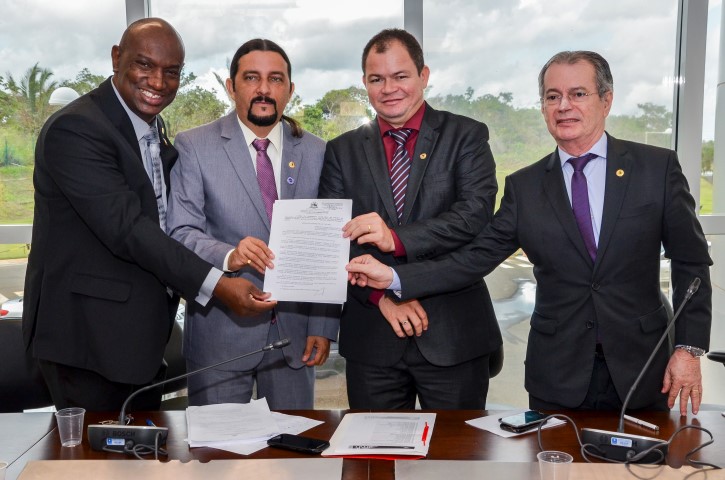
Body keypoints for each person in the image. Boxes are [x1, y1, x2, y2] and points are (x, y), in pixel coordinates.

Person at [347, 51, 712, 415]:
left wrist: (689, 349)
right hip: (557, 375)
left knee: (642, 471)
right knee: (555, 471)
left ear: (607, 100)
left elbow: (690, 262)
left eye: (578, 94)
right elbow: (475, 258)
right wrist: (395, 277)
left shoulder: (656, 168)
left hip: (644, 368)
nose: (564, 106)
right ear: (543, 108)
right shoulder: (525, 187)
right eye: (553, 96)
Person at [23, 18, 275, 413]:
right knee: (94, 468)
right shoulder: (76, 128)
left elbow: (167, 219)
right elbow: (129, 230)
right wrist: (220, 285)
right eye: (144, 65)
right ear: (116, 58)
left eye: (171, 72)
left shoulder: (149, 129)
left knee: (135, 459)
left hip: (138, 339)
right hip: (86, 341)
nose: (157, 82)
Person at [318, 28, 501, 410]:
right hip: (372, 337)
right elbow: (333, 239)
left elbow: (474, 216)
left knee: (457, 466)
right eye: (376, 79)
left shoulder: (466, 136)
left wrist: (395, 239)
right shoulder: (341, 150)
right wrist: (383, 297)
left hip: (452, 336)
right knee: (371, 466)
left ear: (424, 75)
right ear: (365, 83)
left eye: (400, 76)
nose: (389, 88)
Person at [166, 39, 339, 409]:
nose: (263, 89)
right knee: (218, 460)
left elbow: (329, 245)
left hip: (295, 338)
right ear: (231, 86)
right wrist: (229, 255)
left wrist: (323, 327)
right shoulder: (194, 146)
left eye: (275, 79)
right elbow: (180, 232)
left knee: (294, 457)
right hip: (220, 338)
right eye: (251, 78)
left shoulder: (318, 151)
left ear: (290, 90)